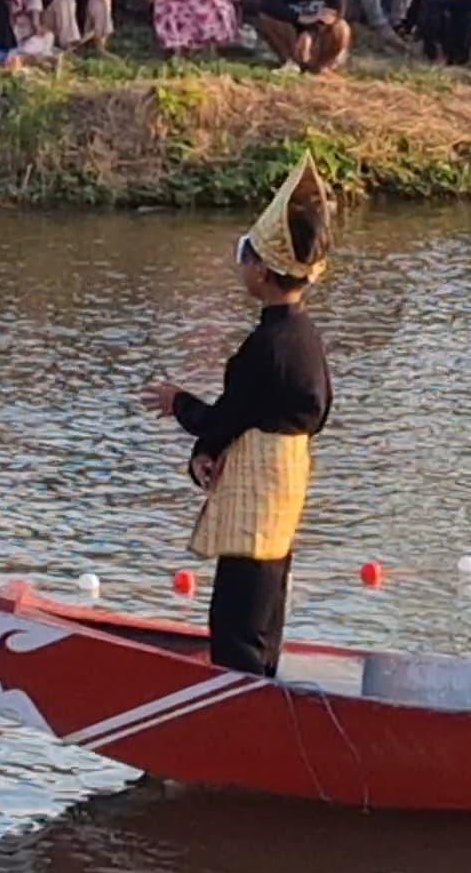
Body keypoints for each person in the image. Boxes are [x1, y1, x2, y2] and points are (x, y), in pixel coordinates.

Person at [141, 158, 336, 677]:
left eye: (245, 257)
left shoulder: (267, 345)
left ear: (262, 272)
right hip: (285, 482)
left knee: (236, 620)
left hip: (258, 488)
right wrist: (205, 450)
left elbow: (226, 416)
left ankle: (244, 715)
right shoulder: (307, 338)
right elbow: (305, 413)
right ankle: (260, 693)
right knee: (266, 603)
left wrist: (178, 403)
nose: (241, 266)